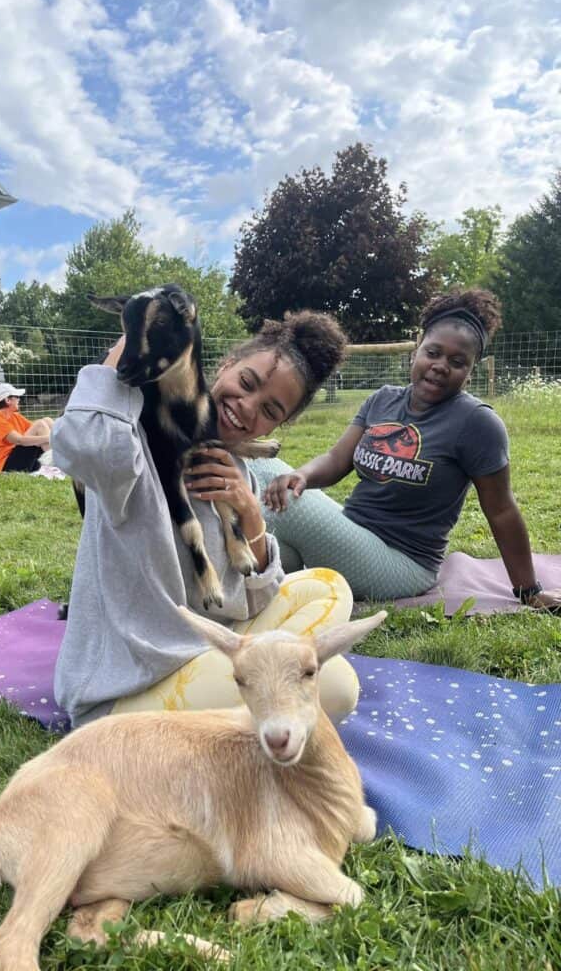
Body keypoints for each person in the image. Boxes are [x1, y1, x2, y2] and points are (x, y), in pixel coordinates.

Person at [52, 309, 362, 729]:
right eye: (246, 383)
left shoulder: (235, 470)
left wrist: (250, 512)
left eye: (270, 410)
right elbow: (82, 448)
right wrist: (132, 337)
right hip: (126, 693)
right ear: (225, 365)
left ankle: (250, 684)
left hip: (204, 651)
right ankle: (253, 695)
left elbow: (252, 599)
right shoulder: (134, 441)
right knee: (337, 687)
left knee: (328, 586)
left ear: (280, 422)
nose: (246, 408)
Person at [258, 288, 561, 611]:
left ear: (471, 370)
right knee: (266, 472)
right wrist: (301, 474)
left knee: (289, 505)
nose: (441, 365)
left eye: (457, 362)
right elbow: (336, 460)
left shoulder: (477, 423)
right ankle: (257, 585)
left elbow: (501, 510)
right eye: (433, 352)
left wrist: (528, 589)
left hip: (402, 564)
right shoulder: (383, 399)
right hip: (353, 533)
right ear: (416, 352)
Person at [0, 382, 54, 473]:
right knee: (40, 424)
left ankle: (62, 459)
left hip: (22, 460)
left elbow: (37, 430)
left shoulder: (15, 416)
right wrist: (51, 437)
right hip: (8, 465)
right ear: (7, 400)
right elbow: (19, 440)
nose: (19, 399)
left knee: (47, 420)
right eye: (16, 397)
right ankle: (54, 465)